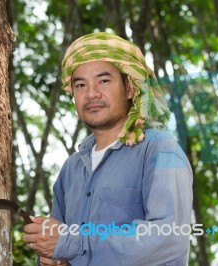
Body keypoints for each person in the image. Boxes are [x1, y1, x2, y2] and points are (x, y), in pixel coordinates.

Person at [23, 32, 193, 266]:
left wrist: (72, 244)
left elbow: (168, 237)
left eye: (103, 80)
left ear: (130, 88)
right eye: (80, 84)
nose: (91, 94)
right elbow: (62, 246)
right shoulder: (71, 169)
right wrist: (55, 257)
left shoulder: (160, 149)